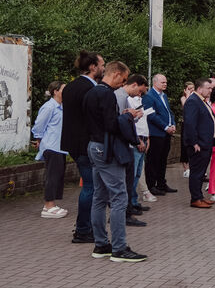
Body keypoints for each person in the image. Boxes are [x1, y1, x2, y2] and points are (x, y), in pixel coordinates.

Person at [84, 60, 146, 262]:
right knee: (119, 196)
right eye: (124, 79)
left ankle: (101, 244)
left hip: (93, 145)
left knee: (99, 197)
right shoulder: (107, 94)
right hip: (107, 148)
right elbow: (111, 125)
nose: (123, 83)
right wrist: (127, 118)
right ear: (117, 74)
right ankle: (119, 248)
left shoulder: (91, 92)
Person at [61, 50, 104, 243]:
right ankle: (83, 229)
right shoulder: (91, 90)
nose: (104, 68)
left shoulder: (70, 86)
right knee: (91, 187)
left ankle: (84, 227)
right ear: (93, 66)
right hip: (86, 144)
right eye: (102, 65)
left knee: (90, 187)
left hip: (73, 143)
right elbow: (92, 119)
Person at [115, 74, 149, 224]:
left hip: (128, 143)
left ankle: (128, 210)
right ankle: (125, 213)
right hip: (125, 144)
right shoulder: (122, 97)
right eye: (140, 91)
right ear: (134, 84)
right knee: (126, 182)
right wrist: (136, 140)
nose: (139, 95)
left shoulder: (122, 96)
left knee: (131, 178)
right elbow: (122, 122)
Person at [32, 81, 68, 218]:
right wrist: (39, 139)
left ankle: (52, 204)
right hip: (51, 146)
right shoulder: (49, 107)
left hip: (60, 147)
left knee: (58, 176)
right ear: (55, 91)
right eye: (64, 89)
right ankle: (48, 206)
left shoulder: (62, 107)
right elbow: (39, 125)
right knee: (52, 176)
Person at [183, 78, 215, 209]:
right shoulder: (193, 101)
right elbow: (190, 124)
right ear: (199, 89)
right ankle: (195, 198)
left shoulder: (201, 101)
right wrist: (194, 142)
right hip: (198, 145)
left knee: (201, 172)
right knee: (196, 172)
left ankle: (199, 196)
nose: (210, 90)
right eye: (208, 88)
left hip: (205, 143)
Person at [142, 74, 177, 198]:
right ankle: (151, 185)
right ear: (155, 83)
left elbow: (169, 112)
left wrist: (172, 124)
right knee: (153, 161)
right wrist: (165, 127)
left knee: (163, 160)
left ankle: (161, 183)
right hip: (156, 133)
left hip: (166, 134)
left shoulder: (164, 96)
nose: (165, 84)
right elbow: (151, 115)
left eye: (166, 82)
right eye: (163, 82)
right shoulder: (149, 96)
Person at [179, 81, 195, 178]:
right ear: (185, 90)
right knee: (185, 146)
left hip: (193, 125)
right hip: (185, 124)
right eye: (189, 88)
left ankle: (192, 167)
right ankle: (186, 168)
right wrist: (188, 95)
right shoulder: (184, 98)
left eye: (193, 88)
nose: (192, 90)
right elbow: (187, 107)